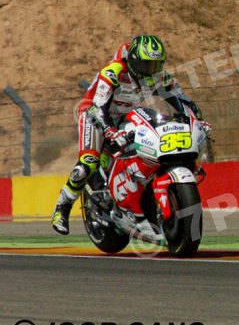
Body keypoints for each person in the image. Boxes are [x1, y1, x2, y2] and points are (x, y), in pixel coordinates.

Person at [51, 35, 210, 234]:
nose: (151, 70)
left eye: (156, 65)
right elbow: (97, 106)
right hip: (95, 115)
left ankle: (139, 196)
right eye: (146, 64)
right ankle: (62, 208)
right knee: (88, 163)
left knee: (149, 138)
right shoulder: (114, 72)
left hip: (124, 116)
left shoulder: (159, 76)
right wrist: (109, 131)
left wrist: (198, 120)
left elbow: (183, 101)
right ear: (134, 60)